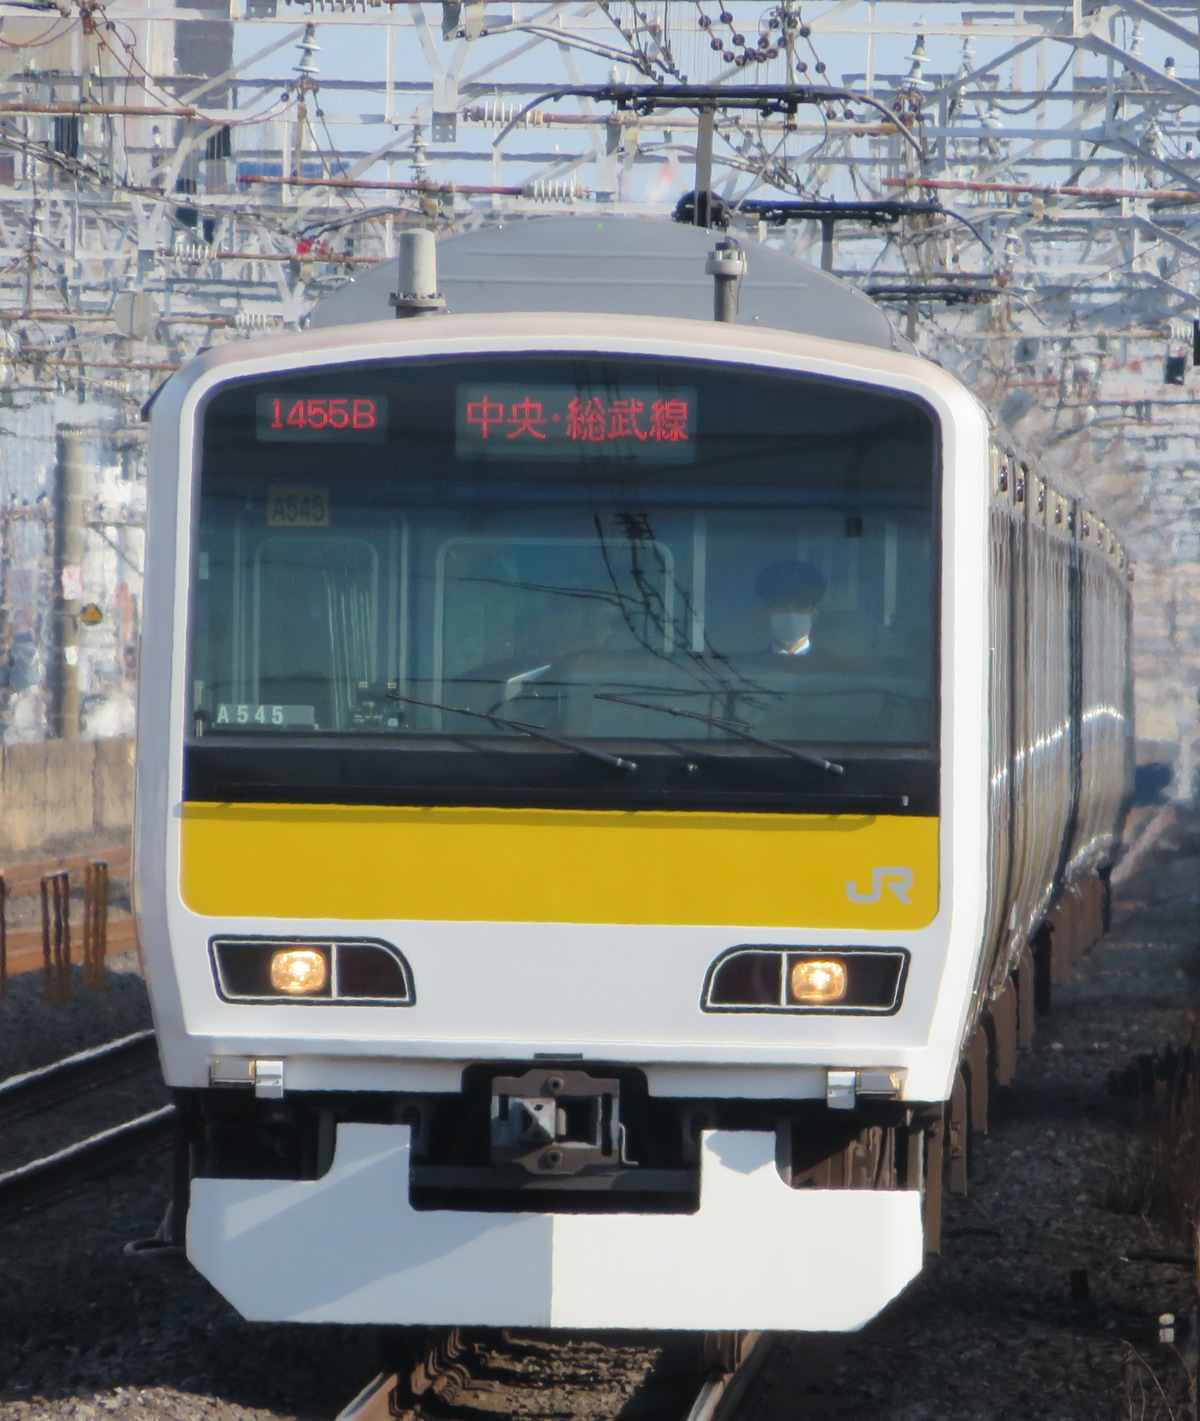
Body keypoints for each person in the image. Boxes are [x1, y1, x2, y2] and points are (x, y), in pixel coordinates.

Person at [754, 559, 826, 656]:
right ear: (766, 614)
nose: (791, 613)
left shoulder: (837, 668)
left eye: (801, 605)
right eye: (782, 604)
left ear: (814, 614)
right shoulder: (748, 667)